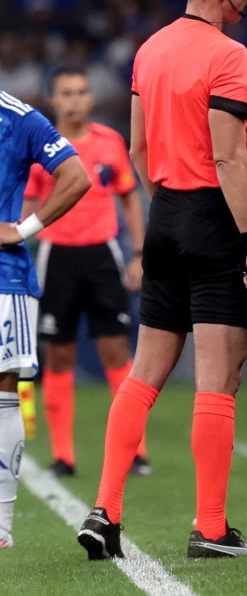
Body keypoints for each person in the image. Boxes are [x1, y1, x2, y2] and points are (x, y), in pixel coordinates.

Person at [78, 0, 247, 561]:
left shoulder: (150, 48)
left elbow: (137, 149)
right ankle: (211, 531)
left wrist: (168, 205)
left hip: (163, 213)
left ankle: (105, 511)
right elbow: (227, 156)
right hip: (215, 222)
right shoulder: (231, 56)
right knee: (217, 381)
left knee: (143, 374)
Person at [22, 66, 149, 477]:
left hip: (103, 256)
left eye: (81, 91)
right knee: (59, 355)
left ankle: (135, 451)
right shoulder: (41, 148)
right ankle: (64, 456)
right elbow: (26, 207)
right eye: (67, 93)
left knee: (117, 350)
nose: (75, 99)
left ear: (91, 98)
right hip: (56, 256)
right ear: (53, 100)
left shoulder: (111, 142)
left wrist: (139, 254)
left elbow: (130, 200)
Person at [0, 90, 90, 548]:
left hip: (4, 279)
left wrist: (23, 229)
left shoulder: (19, 118)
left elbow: (76, 177)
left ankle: (0, 524)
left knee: (2, 394)